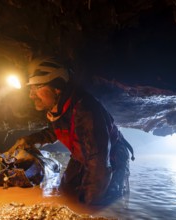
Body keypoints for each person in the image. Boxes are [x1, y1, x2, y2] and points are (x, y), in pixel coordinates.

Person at [9, 56, 135, 205]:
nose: (31, 95)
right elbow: (56, 131)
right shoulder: (59, 108)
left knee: (103, 201)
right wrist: (30, 140)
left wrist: (86, 207)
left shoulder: (85, 110)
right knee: (66, 192)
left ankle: (120, 178)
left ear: (56, 88)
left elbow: (98, 164)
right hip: (82, 155)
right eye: (31, 88)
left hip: (111, 156)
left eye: (37, 87)